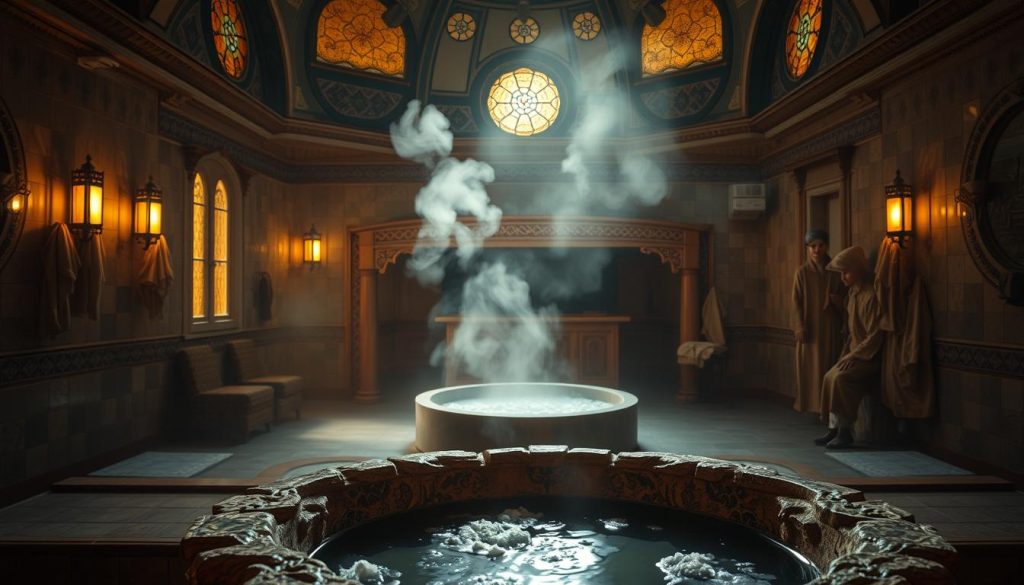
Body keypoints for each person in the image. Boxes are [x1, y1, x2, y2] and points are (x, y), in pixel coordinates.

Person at [817, 246, 884, 449]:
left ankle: (845, 432)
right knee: (830, 375)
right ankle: (834, 429)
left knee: (840, 378)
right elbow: (851, 332)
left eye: (846, 272)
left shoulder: (871, 295)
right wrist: (845, 356)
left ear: (858, 270)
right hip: (854, 355)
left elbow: (875, 335)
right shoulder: (853, 295)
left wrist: (854, 356)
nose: (843, 277)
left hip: (868, 357)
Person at [792, 230, 845, 428]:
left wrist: (838, 303)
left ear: (826, 246)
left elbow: (846, 300)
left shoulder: (835, 271)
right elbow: (796, 302)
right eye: (813, 246)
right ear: (807, 248)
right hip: (810, 330)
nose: (817, 250)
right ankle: (813, 407)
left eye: (821, 245)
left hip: (831, 328)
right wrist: (799, 326)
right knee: (811, 369)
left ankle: (829, 409)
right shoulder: (802, 273)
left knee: (829, 366)